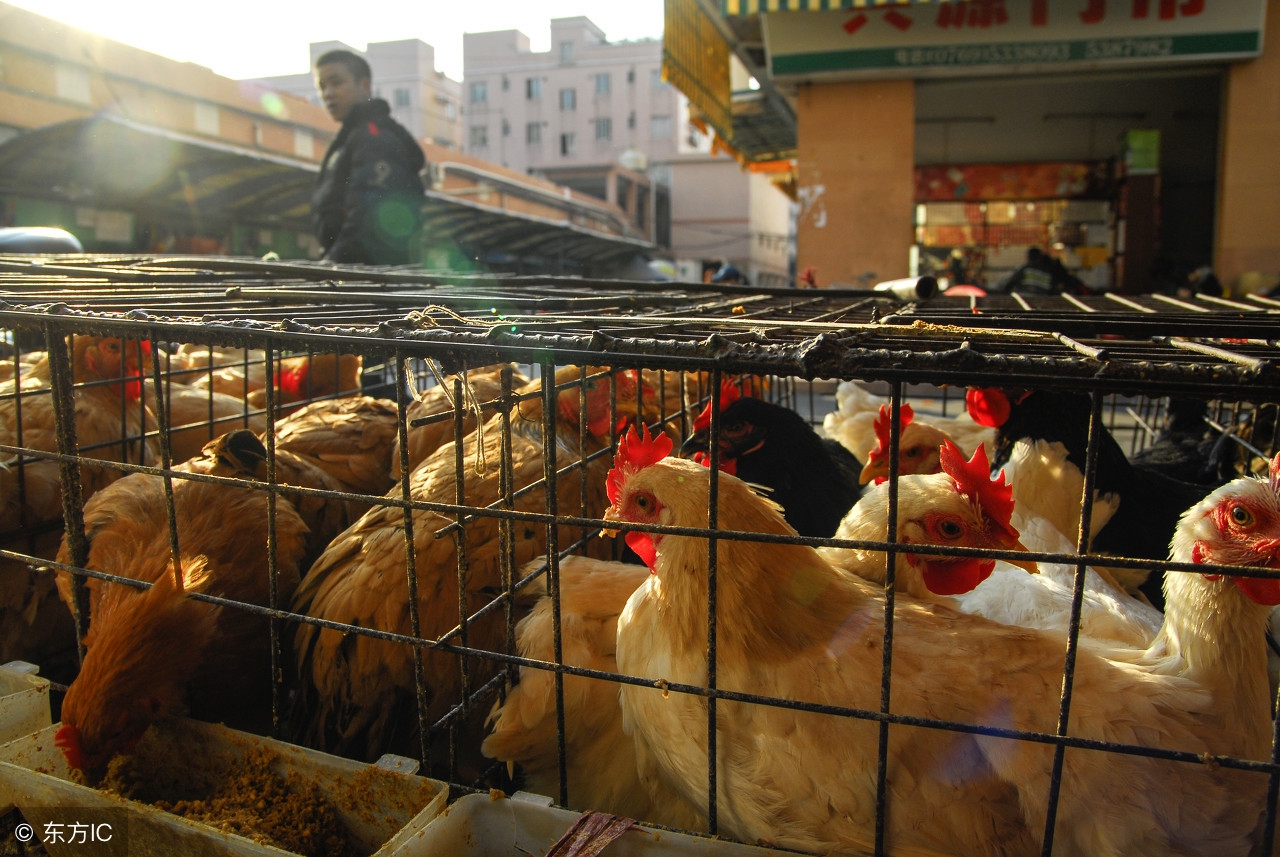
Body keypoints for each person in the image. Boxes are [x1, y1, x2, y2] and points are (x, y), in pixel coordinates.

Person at [312, 49, 426, 265]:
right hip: (361, 271)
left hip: (371, 274)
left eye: (336, 83)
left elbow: (369, 214)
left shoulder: (373, 137)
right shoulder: (353, 137)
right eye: (322, 86)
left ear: (364, 85)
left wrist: (335, 262)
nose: (328, 93)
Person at [992, 247, 1083, 295]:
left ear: (1028, 257)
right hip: (1042, 304)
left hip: (1024, 300)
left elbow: (1009, 282)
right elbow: (1053, 290)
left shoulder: (1026, 268)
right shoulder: (1048, 271)